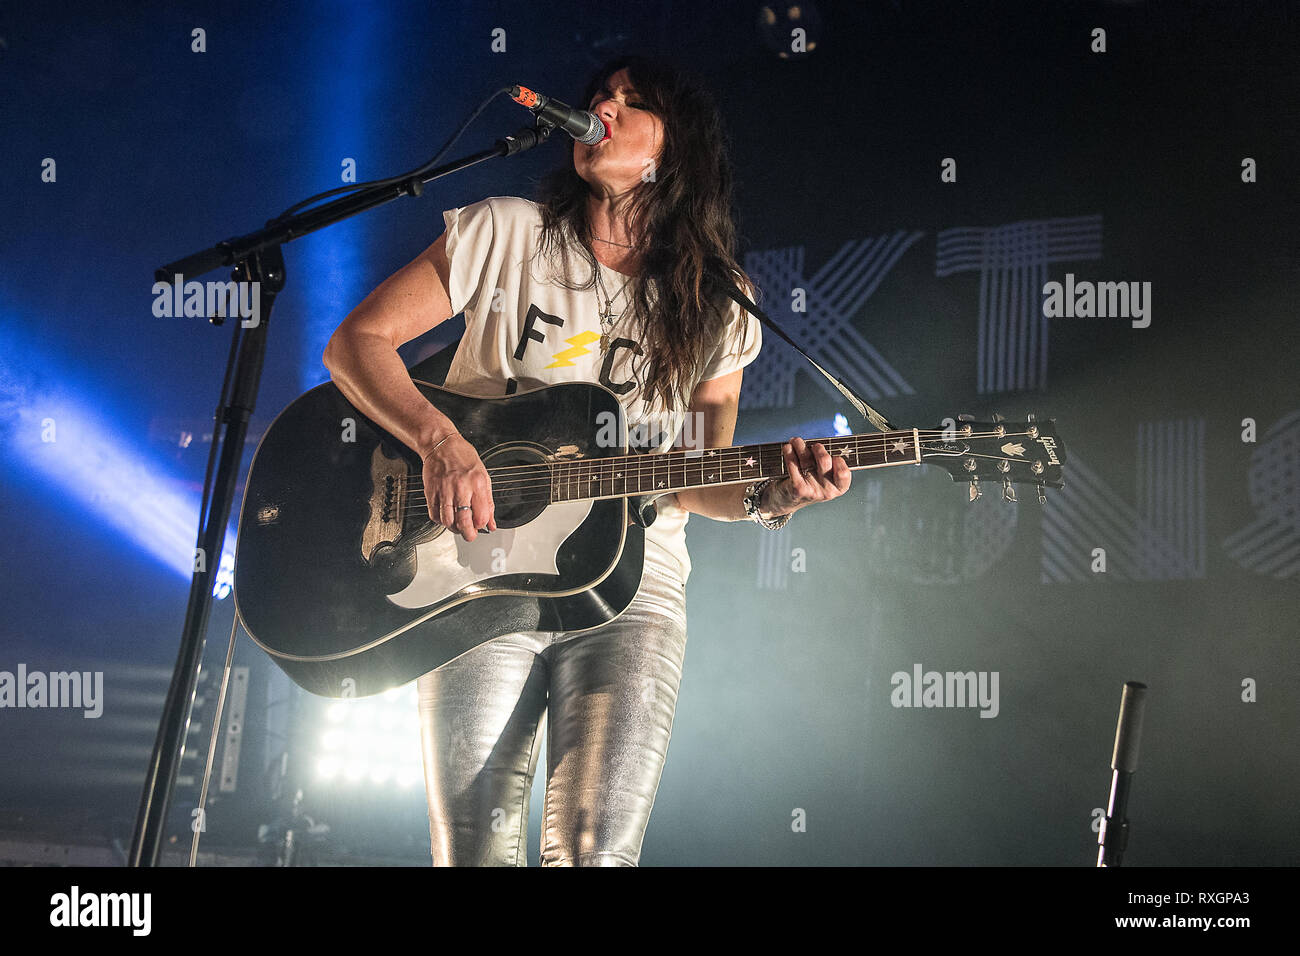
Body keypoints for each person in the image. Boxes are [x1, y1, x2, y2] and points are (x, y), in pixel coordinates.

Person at [322, 55, 850, 865]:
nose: (602, 104)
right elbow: (356, 343)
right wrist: (441, 442)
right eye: (601, 92)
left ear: (673, 153)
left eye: (631, 103)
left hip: (633, 589)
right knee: (474, 851)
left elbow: (701, 477)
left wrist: (774, 495)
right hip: (476, 564)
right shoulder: (507, 232)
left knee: (598, 852)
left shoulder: (719, 301)